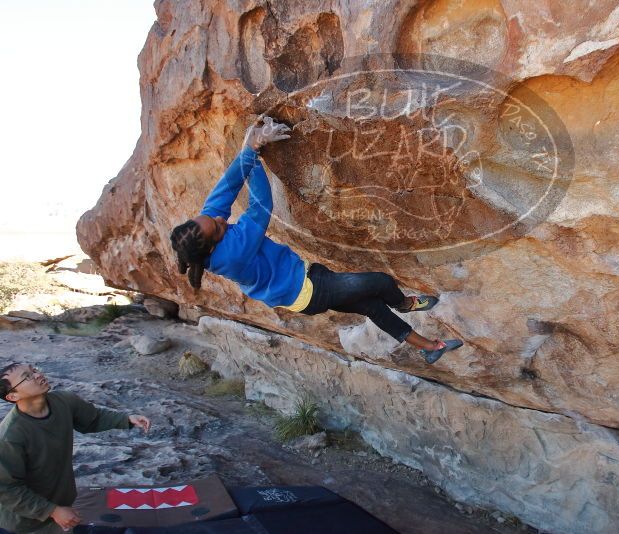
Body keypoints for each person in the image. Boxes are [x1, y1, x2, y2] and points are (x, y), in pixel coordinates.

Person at [170, 114, 463, 364]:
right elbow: (260, 207)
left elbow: (226, 189)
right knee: (381, 282)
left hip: (304, 283)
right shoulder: (230, 254)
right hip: (308, 291)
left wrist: (248, 149)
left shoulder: (206, 231)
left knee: (373, 306)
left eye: (213, 218)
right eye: (218, 228)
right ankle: (404, 304)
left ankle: (430, 349)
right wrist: (255, 152)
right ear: (211, 245)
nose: (221, 220)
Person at [0, 363, 151, 533]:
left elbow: (93, 418)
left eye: (33, 370)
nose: (37, 375)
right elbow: (7, 489)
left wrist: (126, 419)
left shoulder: (63, 401)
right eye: (27, 377)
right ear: (12, 396)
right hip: (24, 523)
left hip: (61, 507)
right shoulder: (9, 437)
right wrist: (52, 511)